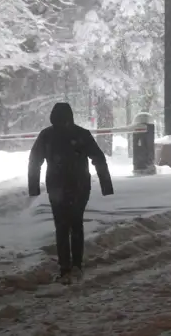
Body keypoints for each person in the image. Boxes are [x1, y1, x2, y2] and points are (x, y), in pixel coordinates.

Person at [28, 102, 114, 284]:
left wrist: (34, 187)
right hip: (79, 185)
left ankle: (65, 266)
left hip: (56, 186)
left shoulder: (47, 136)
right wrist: (106, 185)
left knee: (61, 226)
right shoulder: (81, 134)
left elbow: (34, 161)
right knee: (76, 224)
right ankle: (77, 264)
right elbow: (98, 158)